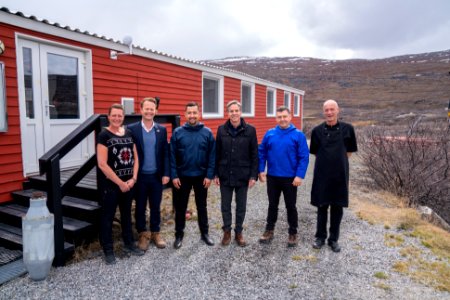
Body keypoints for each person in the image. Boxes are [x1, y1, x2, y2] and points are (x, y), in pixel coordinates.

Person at [97, 104, 144, 265]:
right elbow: (102, 164)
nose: (117, 118)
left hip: (129, 183)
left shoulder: (129, 133)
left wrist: (134, 179)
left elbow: (136, 158)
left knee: (126, 214)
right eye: (114, 115)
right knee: (108, 217)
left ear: (123, 117)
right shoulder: (104, 135)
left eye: (119, 115)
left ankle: (129, 243)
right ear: (108, 117)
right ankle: (108, 250)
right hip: (111, 185)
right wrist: (120, 183)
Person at [310, 99, 358, 253]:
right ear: (323, 112)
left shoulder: (348, 129)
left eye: (332, 109)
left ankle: (333, 239)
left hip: (339, 175)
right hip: (322, 175)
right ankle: (320, 237)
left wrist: (338, 162)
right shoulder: (317, 131)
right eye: (326, 110)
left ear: (338, 110)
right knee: (322, 206)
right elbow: (316, 153)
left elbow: (349, 152)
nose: (329, 113)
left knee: (337, 208)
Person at [258, 106, 309, 247]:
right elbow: (261, 152)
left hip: (290, 179)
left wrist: (299, 175)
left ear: (290, 117)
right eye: (279, 117)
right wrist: (261, 169)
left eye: (285, 116)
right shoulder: (270, 134)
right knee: (272, 205)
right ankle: (269, 230)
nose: (282, 119)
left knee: (290, 206)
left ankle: (293, 232)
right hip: (273, 177)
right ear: (276, 118)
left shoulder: (298, 135)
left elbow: (304, 157)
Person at [170, 102, 216, 249]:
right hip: (182, 177)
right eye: (189, 113)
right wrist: (174, 175)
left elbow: (212, 156)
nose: (192, 115)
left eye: (194, 113)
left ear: (199, 114)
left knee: (202, 206)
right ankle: (178, 235)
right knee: (180, 207)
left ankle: (205, 233)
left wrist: (209, 175)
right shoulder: (178, 132)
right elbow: (172, 156)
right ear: (185, 114)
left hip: (201, 177)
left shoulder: (207, 133)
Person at [128, 97, 170, 251]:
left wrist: (166, 172)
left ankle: (155, 232)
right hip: (139, 176)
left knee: (155, 206)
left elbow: (165, 152)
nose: (149, 111)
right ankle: (142, 234)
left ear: (156, 111)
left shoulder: (161, 130)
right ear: (141, 110)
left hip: (156, 176)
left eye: (152, 109)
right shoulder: (132, 129)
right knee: (140, 206)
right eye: (147, 108)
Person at [215, 100, 258, 247]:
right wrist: (215, 174)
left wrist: (253, 175)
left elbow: (254, 155)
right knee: (225, 205)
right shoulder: (221, 130)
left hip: (243, 175)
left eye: (236, 110)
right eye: (231, 111)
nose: (234, 113)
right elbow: (217, 153)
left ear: (240, 112)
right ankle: (227, 231)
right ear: (228, 113)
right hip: (225, 174)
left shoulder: (250, 130)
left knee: (241, 206)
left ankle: (238, 232)